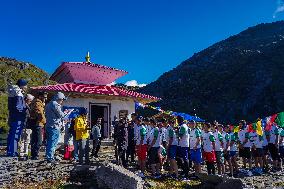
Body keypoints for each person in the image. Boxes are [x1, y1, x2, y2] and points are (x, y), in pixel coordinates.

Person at [7, 79, 28, 157]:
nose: (26, 87)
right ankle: (13, 152)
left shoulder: (12, 91)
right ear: (22, 85)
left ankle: (9, 151)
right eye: (25, 85)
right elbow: (18, 106)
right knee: (16, 135)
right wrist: (24, 110)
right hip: (18, 117)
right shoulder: (18, 93)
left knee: (11, 134)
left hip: (12, 116)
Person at [45, 92, 67, 164]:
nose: (62, 101)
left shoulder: (48, 104)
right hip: (55, 126)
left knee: (49, 142)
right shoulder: (55, 104)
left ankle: (49, 156)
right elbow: (61, 115)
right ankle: (50, 158)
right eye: (62, 100)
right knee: (53, 143)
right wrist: (66, 113)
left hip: (48, 125)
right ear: (59, 98)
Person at [29, 91, 47, 160]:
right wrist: (45, 122)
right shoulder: (37, 103)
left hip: (36, 123)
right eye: (44, 97)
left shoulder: (37, 102)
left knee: (34, 140)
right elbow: (40, 114)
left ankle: (33, 155)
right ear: (40, 96)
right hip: (38, 123)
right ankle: (35, 155)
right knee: (39, 141)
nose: (45, 98)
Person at [19, 94, 34, 159]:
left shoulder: (24, 105)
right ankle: (23, 154)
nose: (31, 102)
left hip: (25, 125)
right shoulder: (25, 106)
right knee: (24, 140)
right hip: (25, 125)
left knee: (25, 140)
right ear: (27, 100)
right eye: (30, 101)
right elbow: (26, 115)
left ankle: (24, 153)